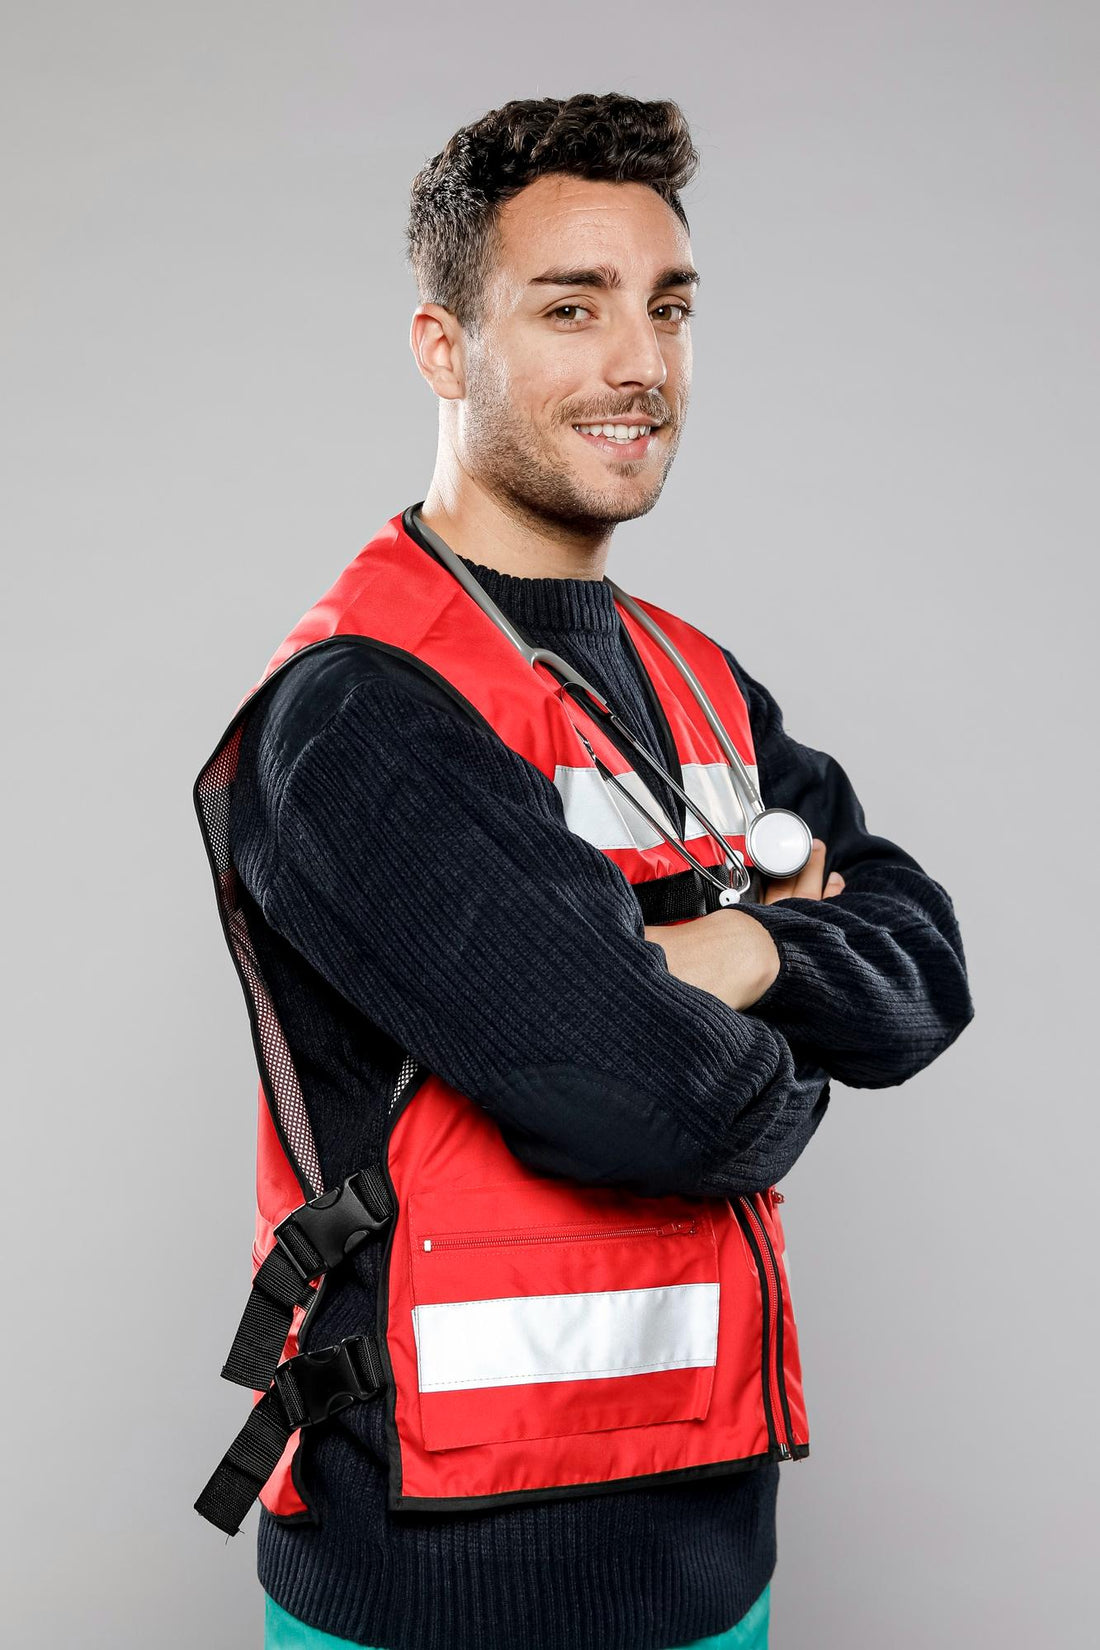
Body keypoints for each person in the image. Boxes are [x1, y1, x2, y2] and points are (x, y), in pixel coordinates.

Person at [203, 93, 974, 1650]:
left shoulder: (698, 679)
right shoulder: (361, 712)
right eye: (573, 308)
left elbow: (928, 971)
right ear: (443, 347)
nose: (641, 363)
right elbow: (678, 1103)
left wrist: (738, 957)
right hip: (438, 1587)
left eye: (667, 306)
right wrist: (749, 1004)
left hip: (712, 1563)